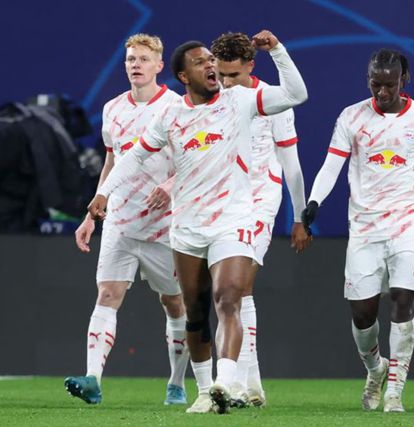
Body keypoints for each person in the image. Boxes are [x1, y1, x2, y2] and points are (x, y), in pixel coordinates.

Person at [87, 30, 308, 415]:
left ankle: (227, 380)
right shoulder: (171, 115)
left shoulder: (240, 100)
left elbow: (296, 94)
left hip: (233, 220)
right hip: (187, 226)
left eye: (210, 60)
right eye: (200, 62)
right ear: (183, 76)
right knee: (196, 311)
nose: (210, 65)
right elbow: (135, 157)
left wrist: (278, 51)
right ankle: (206, 391)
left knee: (229, 297)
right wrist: (104, 192)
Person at [301, 49, 414, 413]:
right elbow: (331, 166)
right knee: (362, 313)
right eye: (375, 84)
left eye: (389, 84)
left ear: (404, 80)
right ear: (368, 80)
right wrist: (314, 201)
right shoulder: (352, 117)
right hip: (365, 227)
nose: (382, 92)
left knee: (403, 298)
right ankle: (375, 369)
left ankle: (395, 391)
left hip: (408, 222)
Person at [64, 33, 189, 406]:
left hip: (164, 223)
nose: (136, 64)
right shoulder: (113, 109)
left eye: (143, 59)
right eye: (131, 59)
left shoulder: (176, 107)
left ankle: (176, 383)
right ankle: (92, 380)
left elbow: (194, 160)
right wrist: (92, 215)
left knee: (174, 303)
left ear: (159, 65)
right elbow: (112, 161)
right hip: (120, 219)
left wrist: (170, 186)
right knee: (107, 293)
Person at [210, 31, 310, 407]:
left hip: (258, 201)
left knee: (237, 288)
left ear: (251, 66)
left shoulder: (271, 101)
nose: (226, 83)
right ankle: (252, 386)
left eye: (234, 75)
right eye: (221, 75)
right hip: (221, 203)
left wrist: (299, 216)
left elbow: (291, 164)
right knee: (234, 293)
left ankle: (236, 384)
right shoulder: (214, 100)